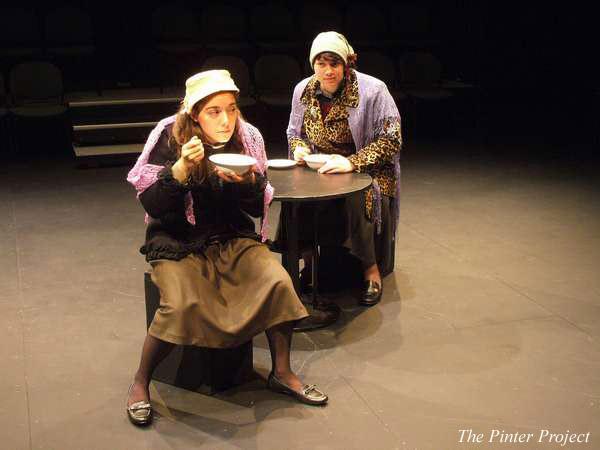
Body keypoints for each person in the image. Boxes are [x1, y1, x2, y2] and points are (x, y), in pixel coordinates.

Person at [125, 70, 328, 426]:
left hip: (231, 236)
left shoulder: (247, 140)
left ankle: (281, 371)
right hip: (177, 240)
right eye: (214, 111)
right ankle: (140, 381)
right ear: (194, 114)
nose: (226, 120)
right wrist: (182, 169)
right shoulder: (170, 138)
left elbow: (255, 206)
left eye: (231, 109)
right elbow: (154, 204)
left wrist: (247, 182)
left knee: (278, 282)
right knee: (182, 303)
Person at [282, 31, 402, 307]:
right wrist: (300, 149)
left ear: (346, 64)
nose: (327, 71)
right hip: (322, 168)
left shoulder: (373, 91)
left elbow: (391, 140)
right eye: (321, 64)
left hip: (366, 169)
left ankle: (370, 271)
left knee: (358, 196)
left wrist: (351, 162)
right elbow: (294, 132)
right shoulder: (304, 90)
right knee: (297, 197)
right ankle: (309, 263)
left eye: (334, 64)